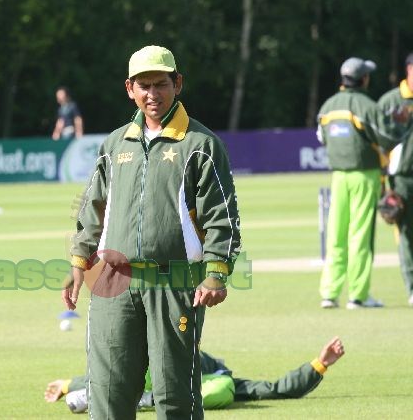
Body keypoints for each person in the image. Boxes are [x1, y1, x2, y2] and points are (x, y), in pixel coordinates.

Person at [63, 45, 242, 419]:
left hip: (174, 284)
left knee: (175, 396)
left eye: (160, 84)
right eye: (143, 86)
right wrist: (79, 261)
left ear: (177, 84)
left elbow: (222, 218)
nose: (152, 94)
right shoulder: (115, 144)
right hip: (113, 283)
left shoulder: (201, 145)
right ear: (130, 88)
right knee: (108, 393)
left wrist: (216, 275)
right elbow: (93, 209)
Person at [45, 337, 345, 413]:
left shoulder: (209, 370)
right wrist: (67, 384)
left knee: (216, 393)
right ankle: (141, 397)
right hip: (155, 383)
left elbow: (275, 389)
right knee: (131, 375)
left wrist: (319, 364)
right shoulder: (153, 359)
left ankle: (143, 400)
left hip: (204, 387)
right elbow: (113, 374)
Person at [316, 57, 401, 310]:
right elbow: (387, 137)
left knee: (336, 235)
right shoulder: (366, 105)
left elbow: (322, 137)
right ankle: (358, 295)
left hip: (338, 176)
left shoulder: (328, 105)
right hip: (365, 174)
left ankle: (329, 294)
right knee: (360, 235)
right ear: (363, 79)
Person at [377, 51, 413, 307]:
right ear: (408, 70)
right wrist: (381, 187)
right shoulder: (391, 101)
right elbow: (378, 143)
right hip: (402, 179)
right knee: (408, 235)